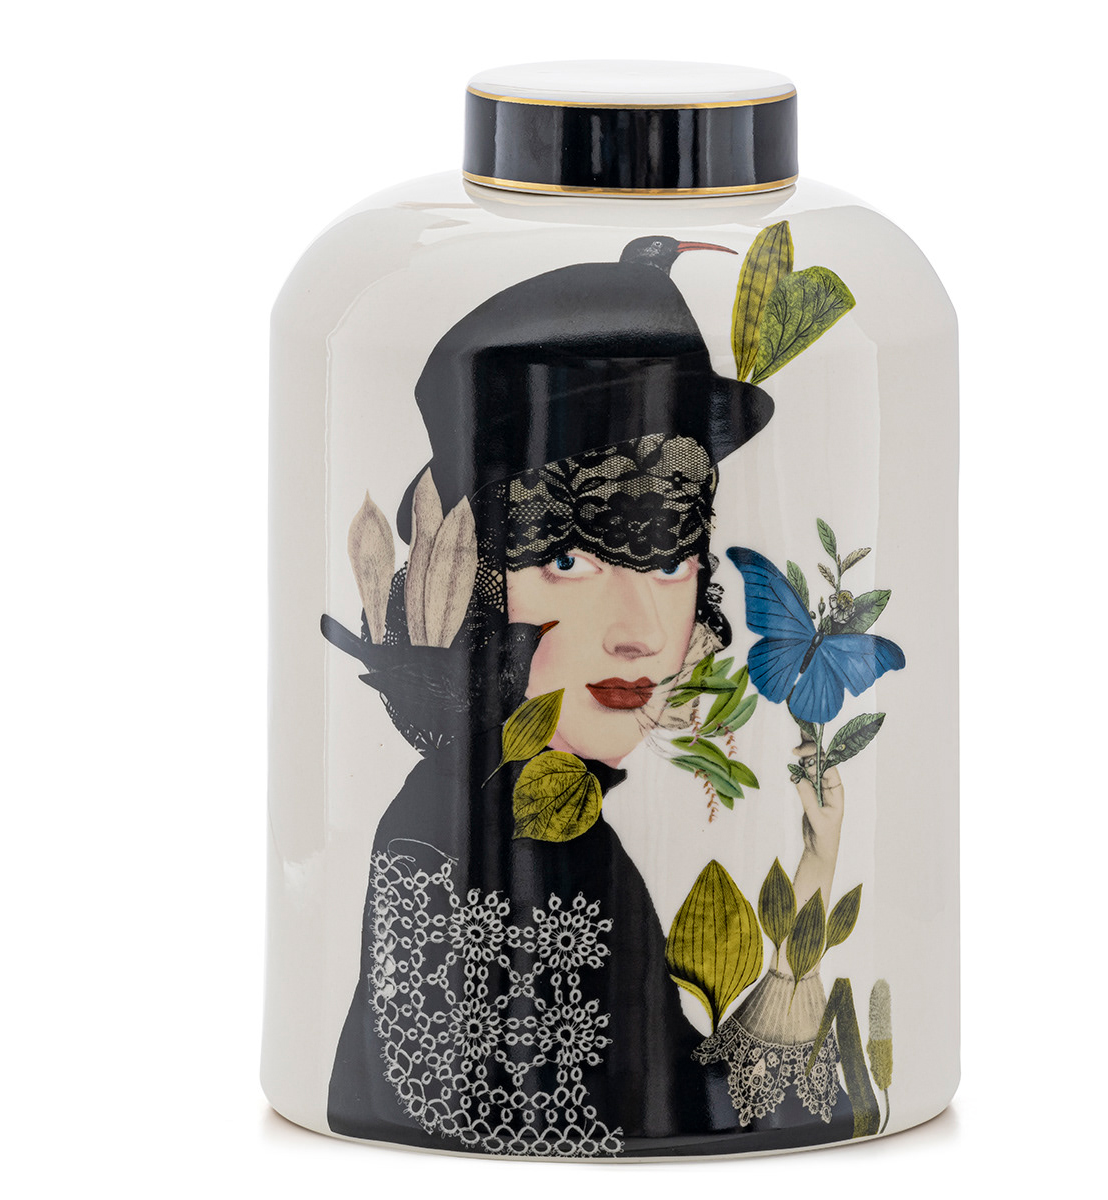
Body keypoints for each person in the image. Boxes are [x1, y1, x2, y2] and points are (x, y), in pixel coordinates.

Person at [323, 238, 852, 1158]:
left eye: (672, 563)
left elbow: (667, 1097)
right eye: (570, 560)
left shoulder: (550, 819)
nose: (640, 631)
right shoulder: (469, 836)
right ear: (477, 580)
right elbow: (601, 1130)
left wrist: (811, 879)